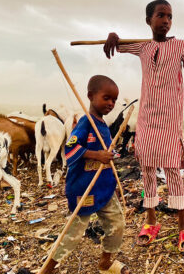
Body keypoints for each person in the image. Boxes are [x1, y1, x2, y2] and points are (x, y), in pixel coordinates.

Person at [103, 0, 184, 251]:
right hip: (147, 119)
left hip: (170, 120)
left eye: (170, 17)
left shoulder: (180, 46)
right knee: (148, 170)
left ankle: (183, 225)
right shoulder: (142, 47)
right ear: (148, 20)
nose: (166, 21)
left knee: (173, 170)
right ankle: (150, 220)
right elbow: (118, 44)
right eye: (161, 15)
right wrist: (113, 36)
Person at [40, 75, 130, 274]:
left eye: (114, 100)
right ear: (90, 96)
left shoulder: (103, 126)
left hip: (104, 187)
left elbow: (105, 150)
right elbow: (70, 149)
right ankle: (47, 268)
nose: (111, 103)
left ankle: (105, 263)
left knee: (117, 224)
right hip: (85, 188)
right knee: (73, 231)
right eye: (106, 98)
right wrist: (97, 155)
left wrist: (110, 154)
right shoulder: (85, 123)